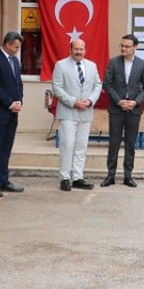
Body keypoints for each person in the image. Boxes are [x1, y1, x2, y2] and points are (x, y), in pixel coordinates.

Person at [52, 39, 101, 191]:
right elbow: (57, 88)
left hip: (86, 112)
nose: (78, 52)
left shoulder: (92, 66)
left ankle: (78, 177)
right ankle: (65, 177)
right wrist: (74, 102)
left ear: (85, 50)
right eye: (76, 49)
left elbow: (98, 85)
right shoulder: (60, 65)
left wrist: (90, 100)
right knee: (67, 145)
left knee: (81, 146)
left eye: (81, 49)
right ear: (70, 49)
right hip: (68, 112)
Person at [102, 35, 144, 188]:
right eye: (122, 45)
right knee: (114, 143)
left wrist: (135, 102)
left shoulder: (143, 64)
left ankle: (128, 176)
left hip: (134, 110)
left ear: (135, 47)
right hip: (116, 109)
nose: (123, 48)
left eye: (127, 46)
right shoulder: (113, 62)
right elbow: (107, 84)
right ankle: (111, 175)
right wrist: (119, 101)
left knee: (130, 144)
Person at [0, 31, 26, 197]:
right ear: (7, 44)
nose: (17, 50)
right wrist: (9, 103)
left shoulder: (15, 61)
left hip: (12, 112)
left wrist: (19, 101)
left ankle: (4, 179)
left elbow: (19, 84)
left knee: (7, 147)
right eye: (16, 47)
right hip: (0, 112)